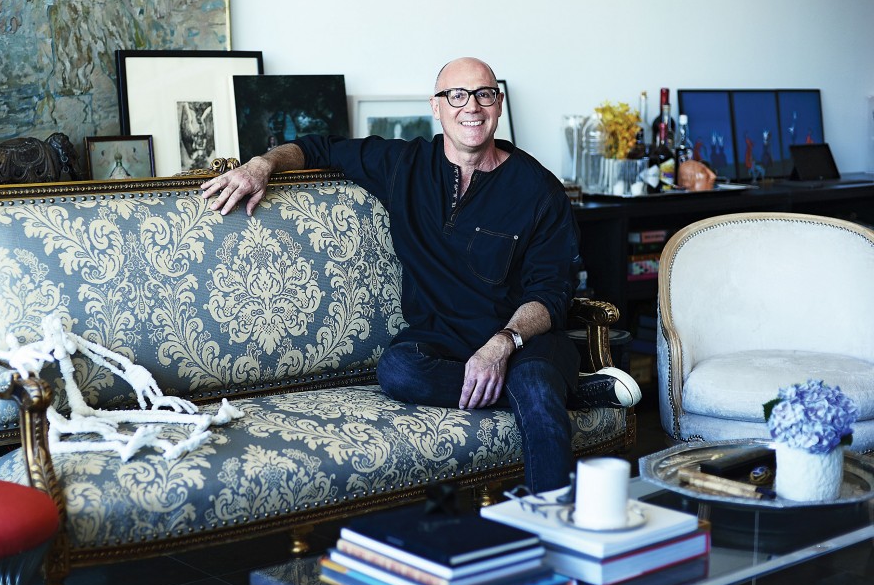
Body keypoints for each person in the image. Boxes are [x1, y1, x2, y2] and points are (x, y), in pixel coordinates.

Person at [201, 57, 640, 493]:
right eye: (458, 95)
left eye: (484, 94)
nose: (472, 107)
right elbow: (316, 147)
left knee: (534, 383)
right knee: (398, 370)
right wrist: (260, 165)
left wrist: (501, 345)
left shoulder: (539, 189)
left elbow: (551, 293)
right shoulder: (404, 164)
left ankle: (554, 518)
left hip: (523, 343)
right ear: (436, 106)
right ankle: (574, 392)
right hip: (441, 343)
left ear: (499, 104)